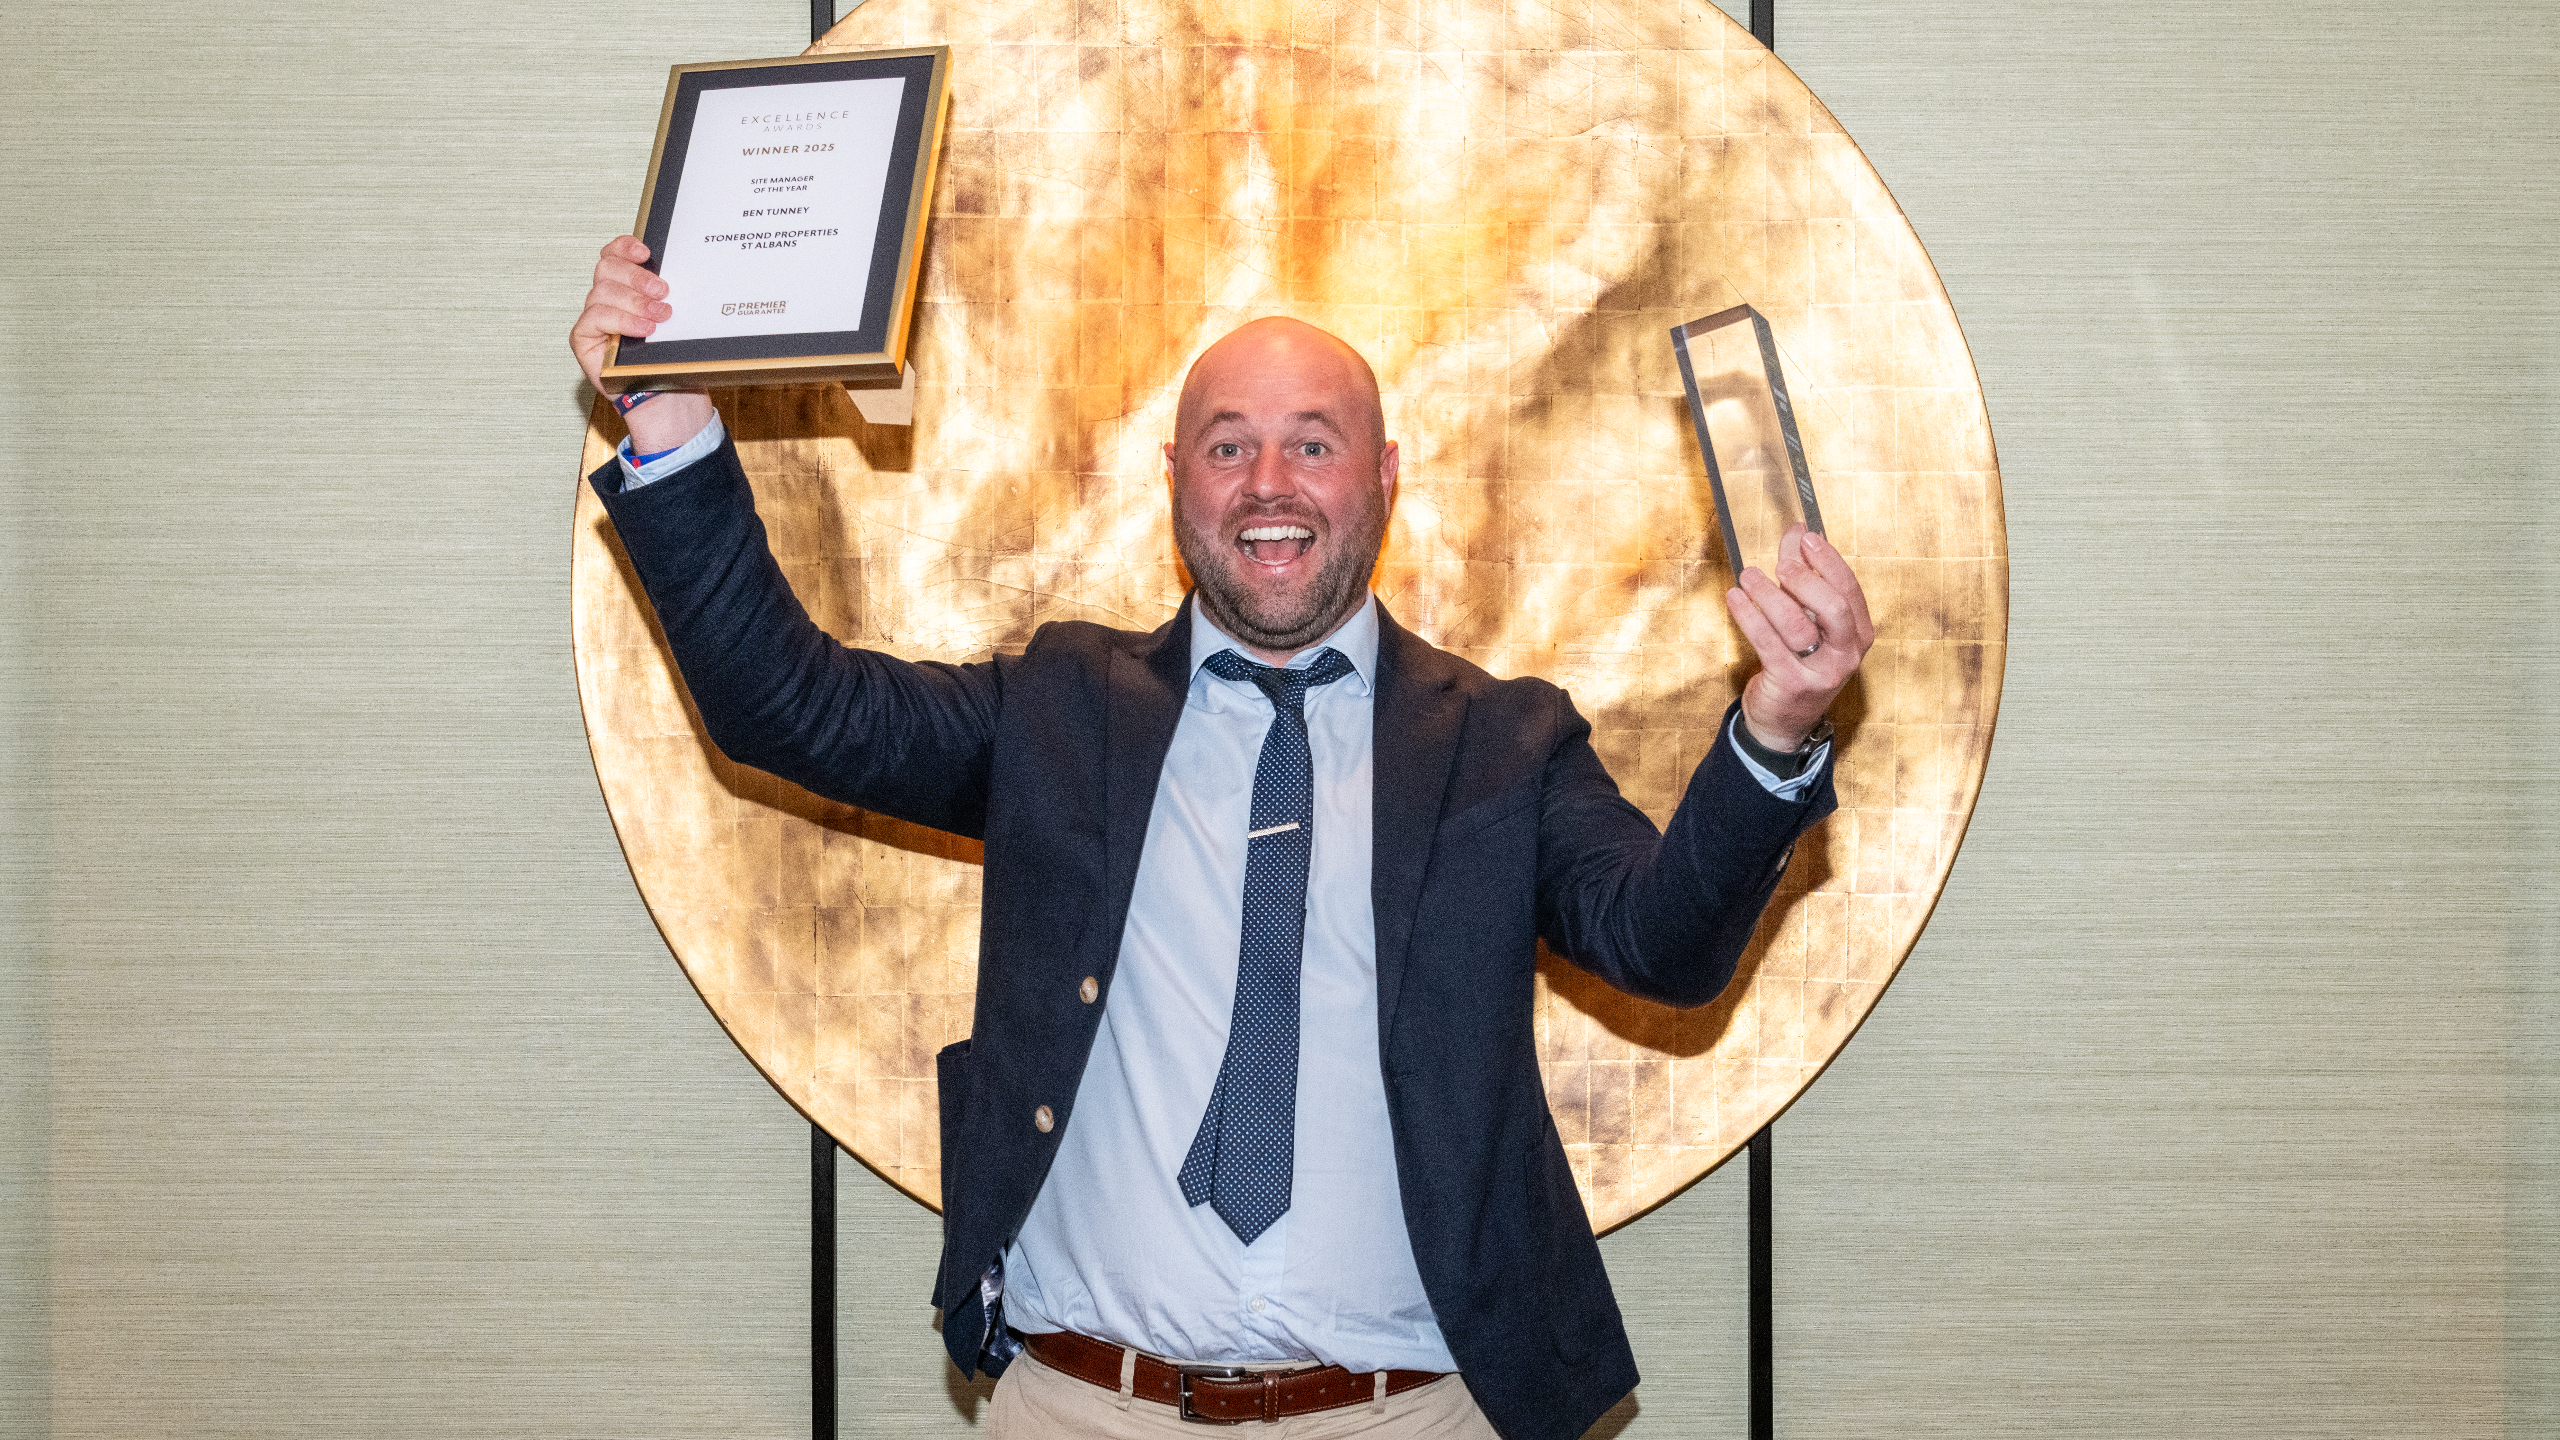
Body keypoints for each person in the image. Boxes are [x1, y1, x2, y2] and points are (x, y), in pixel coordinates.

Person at [572, 236, 1873, 1440]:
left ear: (1385, 474)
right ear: (1175, 481)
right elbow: (789, 706)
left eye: (1315, 445)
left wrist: (1777, 726)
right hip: (1083, 1409)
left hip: (1410, 1417)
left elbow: (1666, 948)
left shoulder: (1504, 743)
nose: (1268, 483)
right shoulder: (1058, 709)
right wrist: (672, 426)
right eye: (1227, 444)